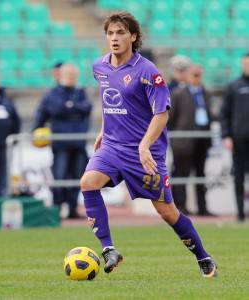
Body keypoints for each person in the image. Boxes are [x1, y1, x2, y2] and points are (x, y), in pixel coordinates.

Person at [80, 12, 217, 277]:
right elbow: (113, 102)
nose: (114, 38)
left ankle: (202, 256)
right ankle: (109, 249)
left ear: (133, 36)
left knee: (167, 212)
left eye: (120, 32)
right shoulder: (100, 67)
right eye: (110, 33)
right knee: (88, 183)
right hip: (111, 147)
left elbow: (162, 112)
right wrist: (102, 130)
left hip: (145, 154)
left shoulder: (148, 71)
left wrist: (144, 145)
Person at [32, 63, 92, 218]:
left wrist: (69, 107)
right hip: (61, 144)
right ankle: (57, 209)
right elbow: (53, 110)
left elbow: (87, 108)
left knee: (79, 177)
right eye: (69, 75)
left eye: (74, 75)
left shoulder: (81, 92)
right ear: (61, 75)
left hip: (79, 143)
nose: (72, 78)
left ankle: (72, 209)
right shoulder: (52, 94)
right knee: (59, 176)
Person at [169, 65, 214, 216]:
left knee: (201, 174)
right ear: (187, 76)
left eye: (199, 75)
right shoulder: (178, 94)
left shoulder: (206, 93)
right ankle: (180, 207)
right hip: (183, 141)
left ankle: (202, 207)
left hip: (202, 139)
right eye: (194, 75)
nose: (197, 78)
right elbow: (170, 118)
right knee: (181, 174)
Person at [220, 52, 249, 222]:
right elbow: (224, 113)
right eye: (246, 64)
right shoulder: (234, 86)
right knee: (238, 177)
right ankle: (240, 214)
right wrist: (226, 135)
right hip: (238, 140)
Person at [0, 83, 21, 196]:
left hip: (5, 145)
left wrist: (15, 137)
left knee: (4, 173)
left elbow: (16, 120)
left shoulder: (7, 101)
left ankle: (3, 197)